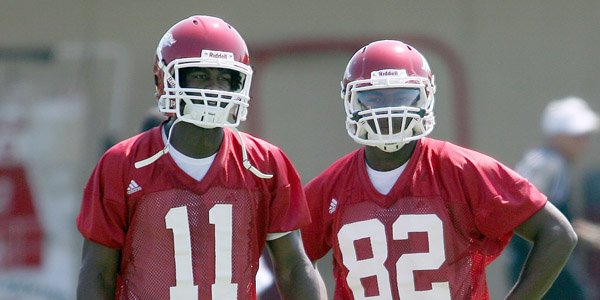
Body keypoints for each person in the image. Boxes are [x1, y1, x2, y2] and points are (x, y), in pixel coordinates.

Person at [300, 39, 577, 299]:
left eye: (402, 97)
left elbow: (557, 233)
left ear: (426, 97)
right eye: (373, 98)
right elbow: (291, 261)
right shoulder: (331, 187)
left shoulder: (461, 170)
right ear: (350, 100)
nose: (388, 110)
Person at [76, 15, 322, 300]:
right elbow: (98, 273)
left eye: (224, 78)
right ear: (166, 79)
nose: (214, 89)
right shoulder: (123, 163)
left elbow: (292, 267)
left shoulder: (265, 163)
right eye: (201, 76)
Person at [508, 96, 599, 299]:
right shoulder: (548, 165)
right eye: (576, 136)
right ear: (557, 136)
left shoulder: (548, 162)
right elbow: (528, 210)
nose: (583, 143)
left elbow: (557, 218)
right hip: (540, 265)